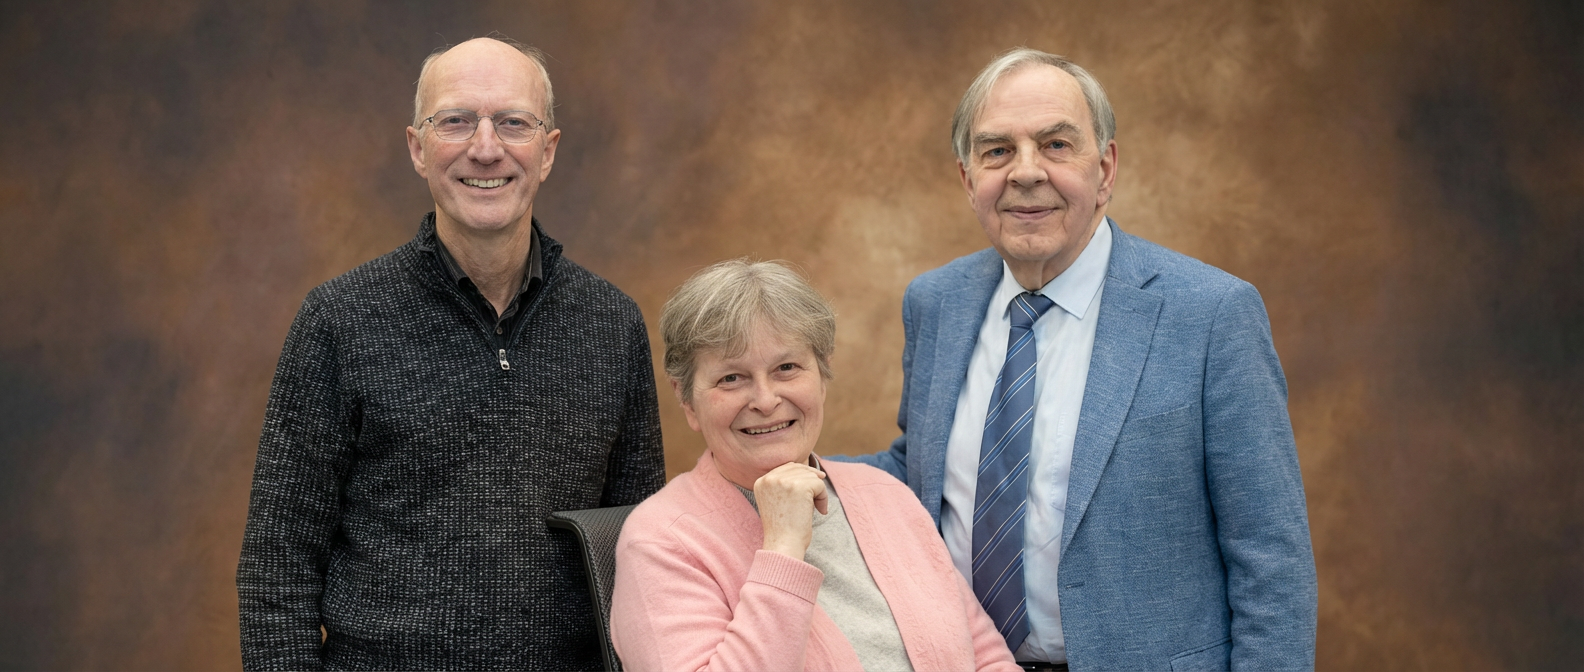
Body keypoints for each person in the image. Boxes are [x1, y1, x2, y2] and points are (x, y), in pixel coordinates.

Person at [840, 48, 1318, 670]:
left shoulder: (1211, 315)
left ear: (1106, 169)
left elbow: (1271, 560)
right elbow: (923, 474)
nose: (1025, 172)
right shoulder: (936, 303)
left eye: (1056, 145)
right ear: (967, 179)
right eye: (997, 151)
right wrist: (785, 466)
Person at [236, 37, 665, 670]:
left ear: (547, 151)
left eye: (513, 123)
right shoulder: (340, 320)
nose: (485, 148)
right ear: (417, 148)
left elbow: (644, 555)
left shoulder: (611, 324)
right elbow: (278, 568)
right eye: (457, 121)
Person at [609, 260, 1020, 672]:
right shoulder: (660, 541)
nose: (765, 400)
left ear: (822, 376)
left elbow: (986, 658)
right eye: (731, 378)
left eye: (786, 368)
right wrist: (783, 547)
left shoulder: (886, 494)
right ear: (687, 400)